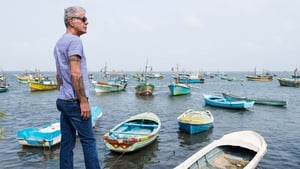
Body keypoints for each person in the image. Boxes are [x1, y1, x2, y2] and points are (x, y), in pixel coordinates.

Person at [54, 6, 101, 169]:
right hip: (74, 101)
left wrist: (65, 91)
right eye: (83, 19)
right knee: (89, 141)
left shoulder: (60, 42)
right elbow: (75, 73)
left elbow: (59, 75)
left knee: (67, 143)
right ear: (71, 21)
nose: (87, 22)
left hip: (63, 99)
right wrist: (83, 101)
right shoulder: (74, 41)